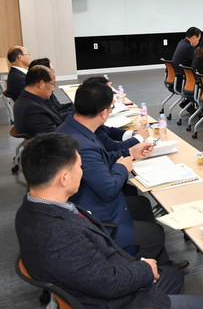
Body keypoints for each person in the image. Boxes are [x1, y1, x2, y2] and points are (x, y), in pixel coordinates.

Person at [15, 133, 203, 309]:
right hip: (110, 299)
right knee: (202, 303)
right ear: (64, 178)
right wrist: (144, 269)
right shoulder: (60, 234)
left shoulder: (31, 208)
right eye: (79, 167)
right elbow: (108, 284)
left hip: (102, 273)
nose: (82, 172)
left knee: (173, 276)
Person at [56, 82, 185, 268]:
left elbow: (100, 159)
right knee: (155, 233)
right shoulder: (83, 144)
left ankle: (160, 264)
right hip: (92, 212)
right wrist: (122, 167)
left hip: (82, 199)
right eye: (111, 108)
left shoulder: (74, 127)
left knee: (142, 204)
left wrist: (130, 153)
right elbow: (108, 190)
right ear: (103, 113)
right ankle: (137, 269)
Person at [12, 65, 64, 137]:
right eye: (52, 84)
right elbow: (55, 137)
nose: (53, 89)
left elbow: (55, 118)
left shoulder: (29, 99)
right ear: (41, 84)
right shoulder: (33, 110)